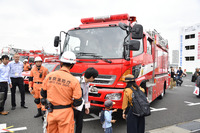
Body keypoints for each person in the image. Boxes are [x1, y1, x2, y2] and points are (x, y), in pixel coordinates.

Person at [41, 51, 82, 133]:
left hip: (51, 112)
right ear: (72, 65)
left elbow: (43, 93)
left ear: (61, 62)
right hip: (66, 113)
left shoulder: (49, 76)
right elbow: (78, 101)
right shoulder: (74, 80)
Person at [74, 67, 99, 133]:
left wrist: (86, 107)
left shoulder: (87, 83)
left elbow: (86, 95)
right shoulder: (77, 80)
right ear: (91, 77)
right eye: (94, 77)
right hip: (73, 105)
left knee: (79, 123)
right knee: (70, 123)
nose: (94, 79)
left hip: (81, 105)